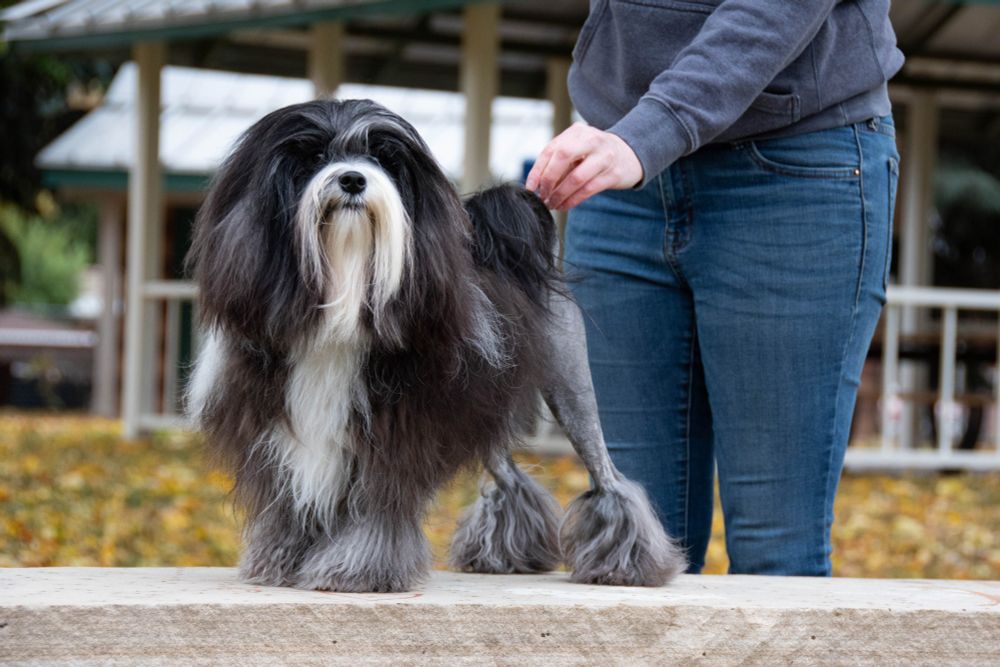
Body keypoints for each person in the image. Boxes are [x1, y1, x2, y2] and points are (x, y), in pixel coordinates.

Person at [526, 0, 902, 576]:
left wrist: (649, 133)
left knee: (777, 556)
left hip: (793, 160)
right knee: (625, 552)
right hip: (619, 169)